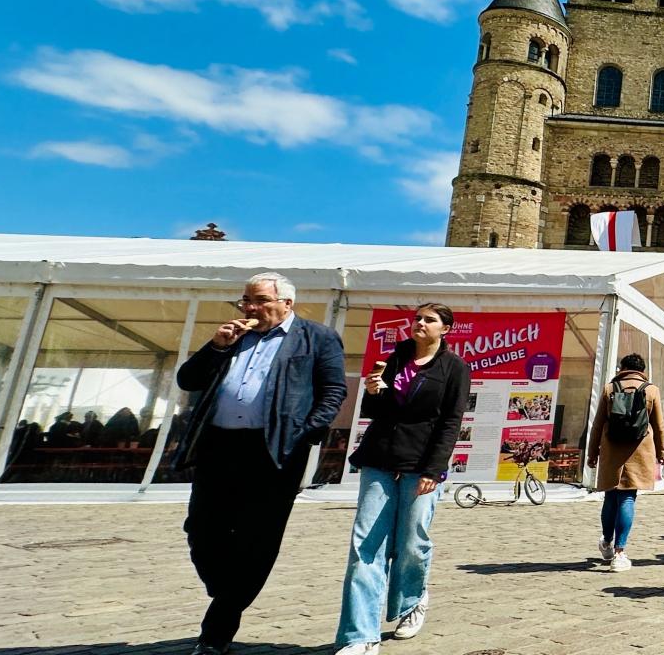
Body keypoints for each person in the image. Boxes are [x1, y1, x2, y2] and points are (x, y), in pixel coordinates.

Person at [175, 272, 347, 655]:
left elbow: (333, 390)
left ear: (287, 302)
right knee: (202, 530)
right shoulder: (232, 338)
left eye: (259, 301)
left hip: (274, 450)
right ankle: (229, 592)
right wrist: (216, 346)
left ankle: (217, 629)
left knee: (257, 539)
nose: (250, 309)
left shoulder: (316, 337)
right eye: (245, 301)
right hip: (219, 446)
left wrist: (306, 433)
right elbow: (187, 381)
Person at [334, 303, 472, 655]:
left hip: (421, 463)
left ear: (446, 329)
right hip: (380, 457)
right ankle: (360, 635)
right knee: (365, 545)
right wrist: (374, 390)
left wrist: (434, 469)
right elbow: (374, 412)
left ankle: (413, 601)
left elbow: (450, 422)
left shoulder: (454, 368)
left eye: (429, 320)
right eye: (418, 318)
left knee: (412, 542)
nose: (420, 324)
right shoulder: (396, 357)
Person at [587, 352, 664, 573]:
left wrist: (592, 453)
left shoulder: (609, 389)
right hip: (638, 450)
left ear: (622, 368)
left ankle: (606, 542)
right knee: (627, 498)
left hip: (612, 448)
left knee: (611, 496)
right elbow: (659, 426)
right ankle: (620, 553)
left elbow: (597, 424)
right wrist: (662, 453)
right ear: (642, 371)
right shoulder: (651, 390)